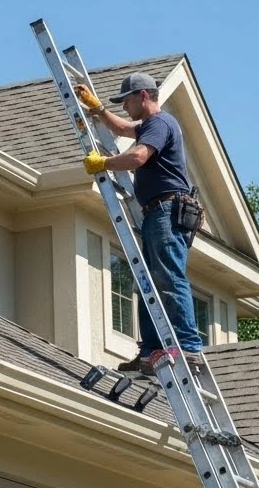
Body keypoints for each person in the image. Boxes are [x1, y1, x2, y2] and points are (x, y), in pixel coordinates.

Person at [76, 72, 206, 376]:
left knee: (167, 277)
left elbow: (137, 157)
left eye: (127, 100)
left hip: (166, 209)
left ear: (143, 96)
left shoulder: (161, 123)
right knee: (147, 282)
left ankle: (187, 346)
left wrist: (105, 163)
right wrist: (97, 109)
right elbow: (123, 128)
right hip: (155, 212)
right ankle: (150, 350)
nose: (124, 106)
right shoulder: (150, 125)